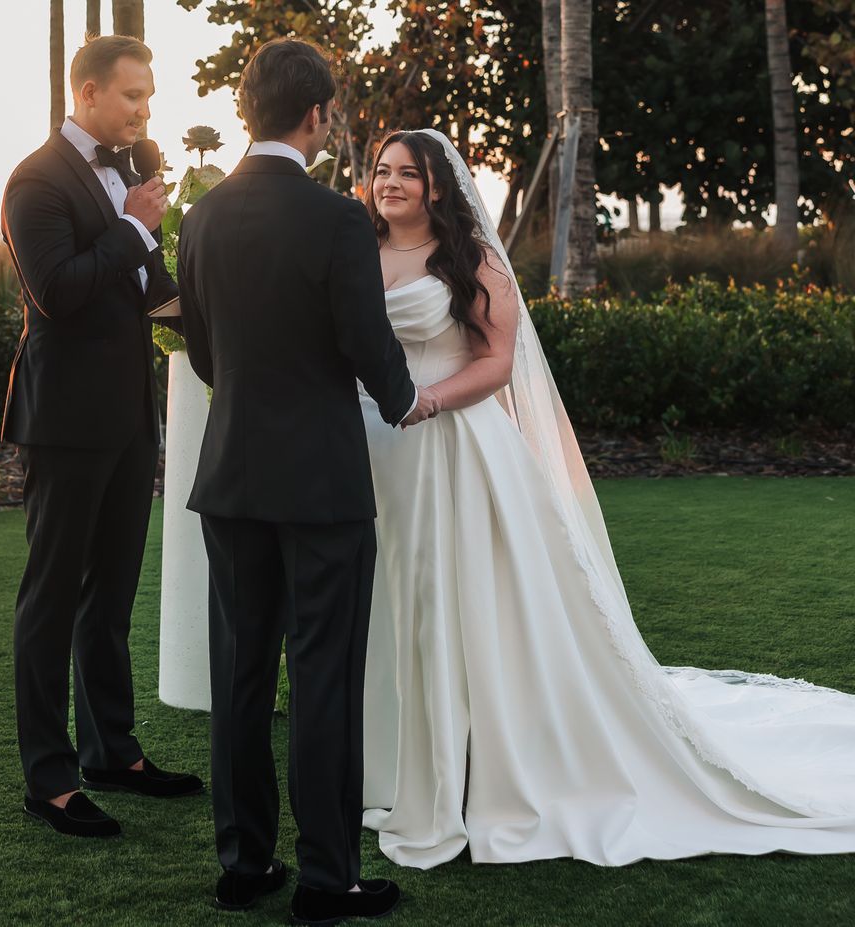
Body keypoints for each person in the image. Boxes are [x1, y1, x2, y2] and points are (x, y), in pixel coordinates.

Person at [358, 128, 855, 869]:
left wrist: (427, 401)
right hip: (373, 452)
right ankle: (389, 764)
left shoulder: (472, 259)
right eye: (382, 170)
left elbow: (498, 362)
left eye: (407, 172)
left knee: (454, 600)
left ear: (438, 187)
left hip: (453, 445)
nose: (390, 183)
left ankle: (470, 765)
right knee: (388, 599)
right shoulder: (358, 251)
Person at [176, 39, 438, 925]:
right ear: (318, 115)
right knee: (323, 674)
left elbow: (204, 352)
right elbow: (367, 342)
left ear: (247, 110)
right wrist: (404, 399)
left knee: (241, 675)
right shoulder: (335, 218)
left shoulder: (201, 218)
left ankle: (244, 863)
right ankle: (328, 879)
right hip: (322, 482)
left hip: (231, 476)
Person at [1, 34, 201, 839]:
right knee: (52, 597)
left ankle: (112, 751)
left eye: (149, 97)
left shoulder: (131, 173)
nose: (144, 111)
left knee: (111, 594)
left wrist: (225, 322)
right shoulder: (36, 181)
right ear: (86, 93)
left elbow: (151, 292)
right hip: (66, 420)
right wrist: (131, 226)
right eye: (132, 95)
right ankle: (49, 779)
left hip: (129, 415)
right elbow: (58, 291)